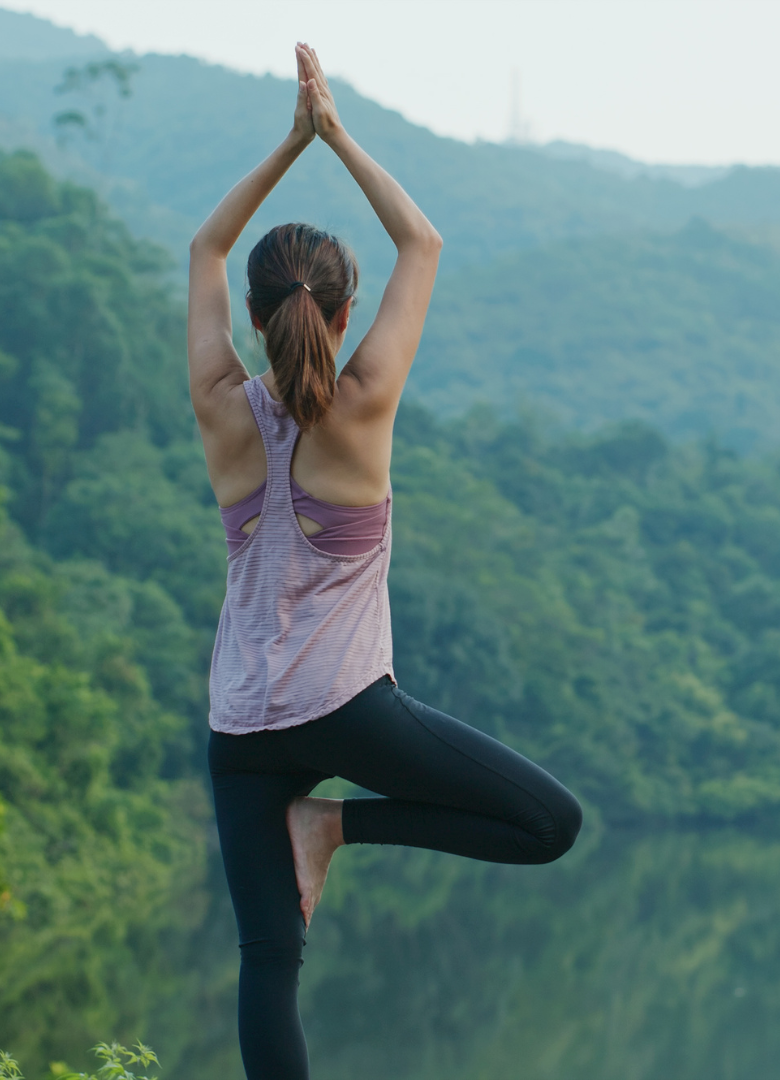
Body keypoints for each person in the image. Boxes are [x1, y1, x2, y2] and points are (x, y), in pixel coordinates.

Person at [187, 43, 582, 1080]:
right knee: (550, 823)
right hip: (345, 706)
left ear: (262, 320)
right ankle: (337, 827)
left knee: (269, 965)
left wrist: (286, 143)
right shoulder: (363, 406)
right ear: (343, 314)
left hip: (239, 725)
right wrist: (333, 130)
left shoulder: (222, 406)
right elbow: (424, 239)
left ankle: (318, 824)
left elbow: (204, 248)